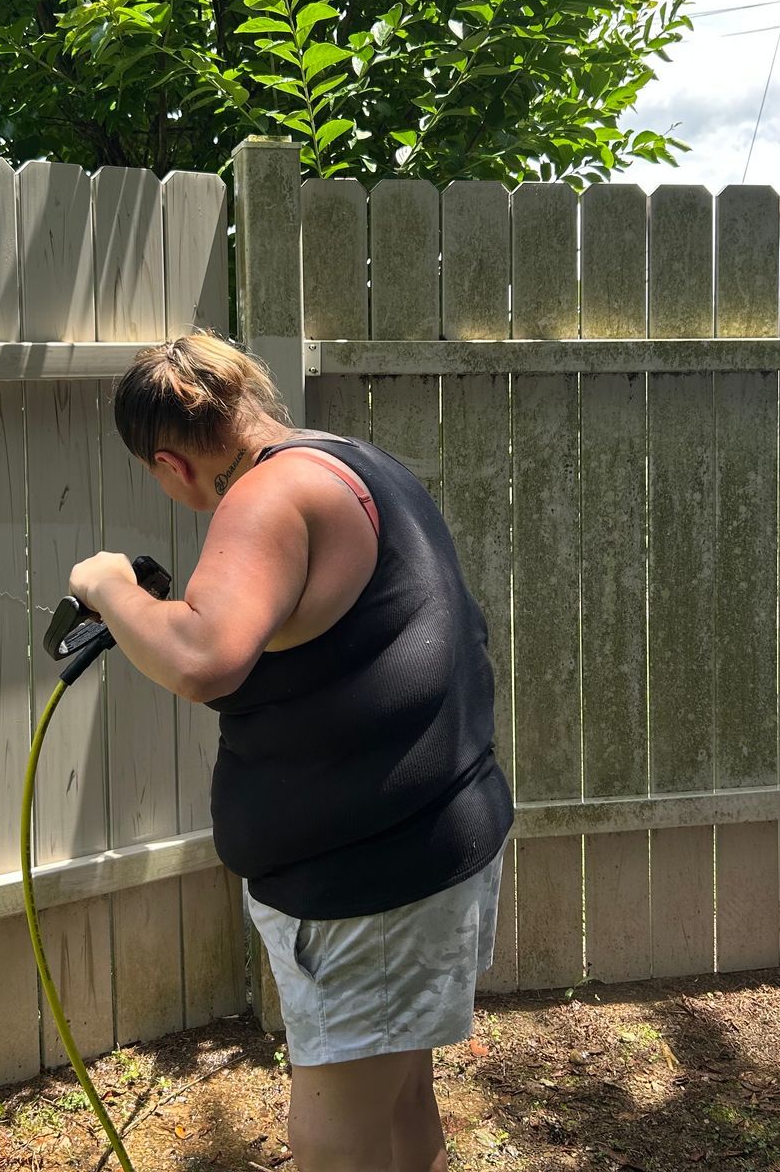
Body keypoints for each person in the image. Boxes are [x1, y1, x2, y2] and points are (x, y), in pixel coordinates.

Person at [68, 330, 514, 1172]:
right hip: (433, 839)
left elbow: (204, 656)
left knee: (340, 1121)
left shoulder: (267, 499)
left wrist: (108, 589)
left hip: (370, 879)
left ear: (171, 464)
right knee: (398, 1092)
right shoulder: (350, 461)